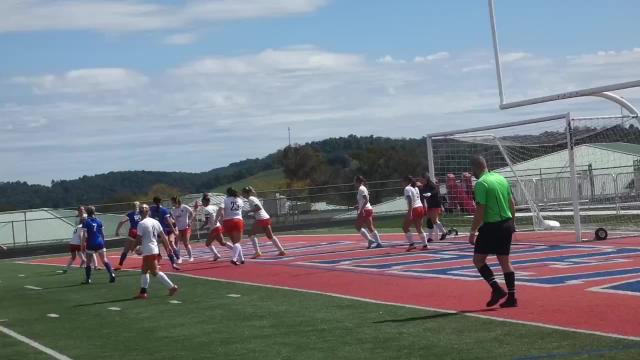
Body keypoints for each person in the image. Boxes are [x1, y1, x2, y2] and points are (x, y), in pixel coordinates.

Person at [468, 156, 517, 308]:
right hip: (506, 224)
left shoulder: (481, 183)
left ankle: (496, 288)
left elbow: (480, 209)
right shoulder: (501, 178)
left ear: (476, 168)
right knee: (505, 261)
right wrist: (512, 223)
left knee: (478, 260)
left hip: (492, 226)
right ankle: (512, 297)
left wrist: (473, 231)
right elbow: (511, 203)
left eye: (472, 170)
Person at [134, 203, 178, 299]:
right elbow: (163, 235)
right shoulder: (155, 222)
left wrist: (134, 247)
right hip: (153, 249)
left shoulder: (141, 224)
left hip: (148, 250)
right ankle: (143, 292)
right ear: (148, 211)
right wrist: (168, 247)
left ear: (140, 213)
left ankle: (172, 287)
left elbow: (138, 239)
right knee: (144, 270)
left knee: (155, 272)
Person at [241, 186, 287, 258]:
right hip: (266, 217)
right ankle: (281, 251)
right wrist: (252, 213)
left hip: (261, 219)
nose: (242, 195)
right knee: (270, 236)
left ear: (245, 193)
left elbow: (258, 208)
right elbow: (258, 208)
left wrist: (248, 211)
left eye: (243, 193)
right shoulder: (253, 198)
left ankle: (257, 252)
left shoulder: (250, 199)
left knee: (250, 234)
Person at [80, 206, 116, 284]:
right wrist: (103, 243)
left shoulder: (85, 222)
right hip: (100, 242)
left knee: (88, 262)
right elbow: (102, 234)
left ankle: (88, 279)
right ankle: (111, 274)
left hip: (90, 243)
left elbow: (84, 236)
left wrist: (82, 246)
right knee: (104, 260)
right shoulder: (99, 221)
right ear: (94, 212)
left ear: (87, 213)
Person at [150, 196, 181, 270]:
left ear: (154, 202)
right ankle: (173, 264)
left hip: (154, 232)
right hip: (162, 232)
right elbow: (169, 223)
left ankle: (156, 263)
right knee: (168, 248)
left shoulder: (151, 209)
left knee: (154, 249)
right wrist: (174, 231)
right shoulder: (164, 210)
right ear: (161, 202)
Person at [199, 195, 233, 261]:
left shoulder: (206, 209)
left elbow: (206, 221)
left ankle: (216, 255)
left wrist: (201, 227)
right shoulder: (214, 207)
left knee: (208, 243)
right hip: (218, 226)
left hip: (214, 228)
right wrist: (220, 221)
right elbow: (222, 214)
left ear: (206, 201)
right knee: (222, 243)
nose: (202, 203)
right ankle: (236, 250)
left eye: (203, 202)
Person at [353, 176, 382, 249]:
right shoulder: (362, 188)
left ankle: (370, 240)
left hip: (365, 210)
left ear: (357, 182)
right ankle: (378, 243)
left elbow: (366, 200)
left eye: (354, 181)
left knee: (357, 226)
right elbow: (364, 200)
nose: (354, 183)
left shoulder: (361, 189)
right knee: (370, 227)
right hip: (368, 209)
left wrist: (361, 209)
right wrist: (358, 205)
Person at [402, 176, 428, 251]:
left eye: (403, 181)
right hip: (420, 207)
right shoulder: (415, 188)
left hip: (414, 208)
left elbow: (410, 200)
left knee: (405, 227)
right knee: (419, 228)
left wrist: (409, 212)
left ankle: (411, 244)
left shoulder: (407, 188)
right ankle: (425, 245)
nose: (402, 183)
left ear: (406, 181)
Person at [114, 201, 141, 270]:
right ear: (139, 206)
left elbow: (121, 222)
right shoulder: (143, 213)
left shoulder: (130, 214)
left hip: (133, 232)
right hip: (141, 232)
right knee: (147, 247)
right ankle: (153, 261)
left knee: (126, 250)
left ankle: (120, 265)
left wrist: (117, 231)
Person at [221, 187, 246, 265]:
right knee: (237, 242)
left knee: (235, 242)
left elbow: (221, 209)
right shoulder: (240, 200)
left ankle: (242, 258)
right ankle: (234, 258)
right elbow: (240, 210)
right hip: (237, 220)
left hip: (227, 221)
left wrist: (219, 219)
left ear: (228, 193)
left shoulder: (225, 200)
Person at [420, 174, 447, 242]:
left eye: (422, 179)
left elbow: (435, 191)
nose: (421, 181)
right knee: (429, 220)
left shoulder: (431, 184)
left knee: (434, 220)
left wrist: (430, 194)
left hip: (435, 204)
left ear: (426, 179)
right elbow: (422, 194)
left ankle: (444, 233)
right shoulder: (424, 186)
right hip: (430, 204)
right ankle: (430, 237)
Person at [171, 196, 194, 262]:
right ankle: (179, 258)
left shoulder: (184, 207)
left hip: (186, 227)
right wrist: (173, 221)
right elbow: (173, 219)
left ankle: (191, 257)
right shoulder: (173, 209)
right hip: (178, 229)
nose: (172, 204)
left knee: (186, 243)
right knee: (176, 243)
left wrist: (190, 221)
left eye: (173, 202)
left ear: (176, 202)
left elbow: (191, 213)